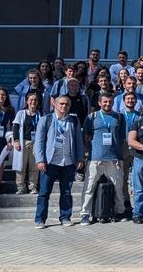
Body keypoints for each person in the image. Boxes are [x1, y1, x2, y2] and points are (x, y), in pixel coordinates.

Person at [33, 95, 86, 229]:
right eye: (61, 104)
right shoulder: (46, 119)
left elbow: (79, 140)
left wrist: (80, 158)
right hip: (50, 162)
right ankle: (40, 219)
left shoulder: (74, 120)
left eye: (67, 104)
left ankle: (65, 217)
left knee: (66, 192)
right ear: (55, 105)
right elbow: (39, 141)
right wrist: (40, 160)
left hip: (68, 161)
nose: (64, 106)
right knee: (44, 192)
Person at [78, 92, 128, 225]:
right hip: (96, 158)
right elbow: (86, 137)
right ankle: (85, 214)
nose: (107, 104)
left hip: (114, 158)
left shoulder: (119, 117)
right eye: (105, 102)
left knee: (118, 187)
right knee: (89, 187)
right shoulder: (92, 117)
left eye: (110, 102)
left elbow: (122, 138)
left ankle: (119, 211)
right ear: (99, 103)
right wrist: (90, 151)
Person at [9, 92, 41, 194]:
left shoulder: (40, 115)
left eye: (35, 100)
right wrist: (16, 141)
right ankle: (20, 187)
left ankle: (33, 187)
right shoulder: (21, 113)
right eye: (31, 100)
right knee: (20, 166)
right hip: (23, 142)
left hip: (35, 143)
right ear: (27, 101)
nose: (33, 102)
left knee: (34, 167)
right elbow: (15, 128)